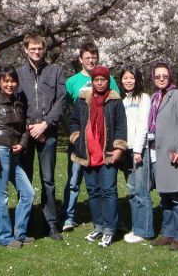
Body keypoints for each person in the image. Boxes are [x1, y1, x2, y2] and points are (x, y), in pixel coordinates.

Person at [61, 41, 120, 232]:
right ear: (80, 60)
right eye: (87, 58)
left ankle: (110, 221)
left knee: (106, 185)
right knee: (74, 179)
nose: (90, 61)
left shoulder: (109, 80)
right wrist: (74, 135)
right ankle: (69, 216)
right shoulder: (72, 82)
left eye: (93, 58)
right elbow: (66, 108)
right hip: (81, 142)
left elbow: (116, 105)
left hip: (102, 142)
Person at [69, 66, 127, 248]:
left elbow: (120, 126)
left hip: (107, 154)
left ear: (108, 81)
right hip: (87, 154)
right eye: (96, 80)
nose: (100, 83)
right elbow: (73, 122)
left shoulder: (114, 101)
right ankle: (99, 225)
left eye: (103, 80)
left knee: (109, 191)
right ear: (92, 81)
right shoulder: (82, 99)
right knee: (93, 191)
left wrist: (118, 148)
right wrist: (76, 138)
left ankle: (110, 229)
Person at [17, 33, 66, 241]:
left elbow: (61, 100)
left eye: (40, 48)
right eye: (33, 48)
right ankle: (25, 223)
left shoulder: (55, 71)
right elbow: (15, 103)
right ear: (25, 49)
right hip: (26, 135)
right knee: (25, 180)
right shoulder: (18, 74)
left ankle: (51, 223)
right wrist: (29, 127)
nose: (37, 52)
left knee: (48, 180)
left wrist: (45, 125)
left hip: (49, 133)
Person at [0, 65, 35, 248]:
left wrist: (22, 143)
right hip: (0, 150)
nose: (10, 84)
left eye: (13, 81)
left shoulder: (18, 101)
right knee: (1, 195)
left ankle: (19, 233)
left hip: (14, 154)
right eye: (6, 81)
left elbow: (25, 128)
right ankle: (2, 236)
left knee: (28, 193)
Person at [148, 60, 178, 251]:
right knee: (164, 196)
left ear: (170, 76)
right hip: (157, 154)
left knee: (176, 196)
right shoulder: (154, 97)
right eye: (157, 76)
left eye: (164, 76)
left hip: (173, 154)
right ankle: (167, 233)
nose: (161, 79)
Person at [118, 65, 154, 243]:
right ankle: (136, 228)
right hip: (126, 149)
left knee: (141, 191)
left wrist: (139, 149)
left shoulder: (143, 98)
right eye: (125, 78)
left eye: (132, 78)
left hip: (139, 150)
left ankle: (145, 230)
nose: (128, 81)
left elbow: (143, 125)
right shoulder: (123, 99)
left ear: (138, 79)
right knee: (132, 191)